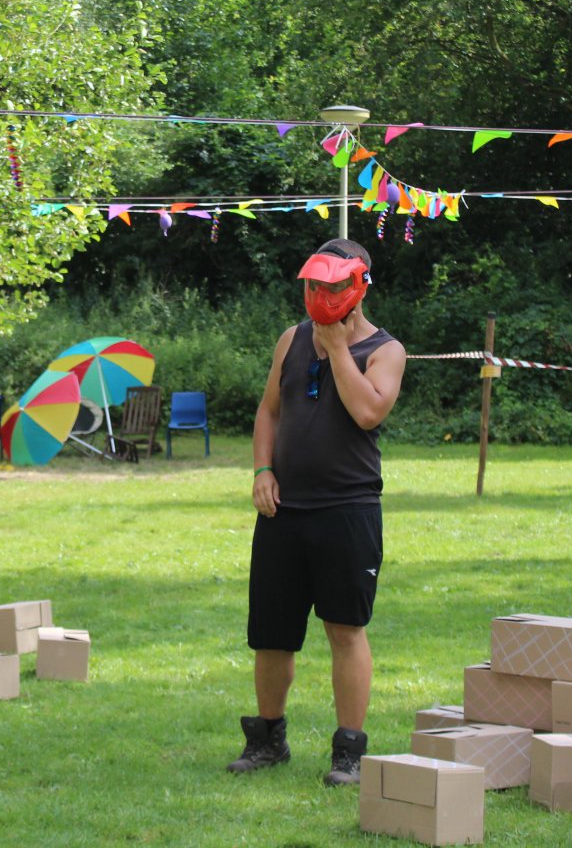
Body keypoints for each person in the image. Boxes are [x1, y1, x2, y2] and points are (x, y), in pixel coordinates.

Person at [229, 237, 406, 785]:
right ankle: (267, 741)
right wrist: (262, 471)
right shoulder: (291, 339)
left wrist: (334, 350)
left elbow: (369, 411)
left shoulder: (385, 350)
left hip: (347, 510)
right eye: (314, 286)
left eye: (332, 287)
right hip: (284, 511)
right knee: (272, 634)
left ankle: (348, 752)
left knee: (345, 629)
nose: (321, 296)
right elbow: (269, 410)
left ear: (357, 287)